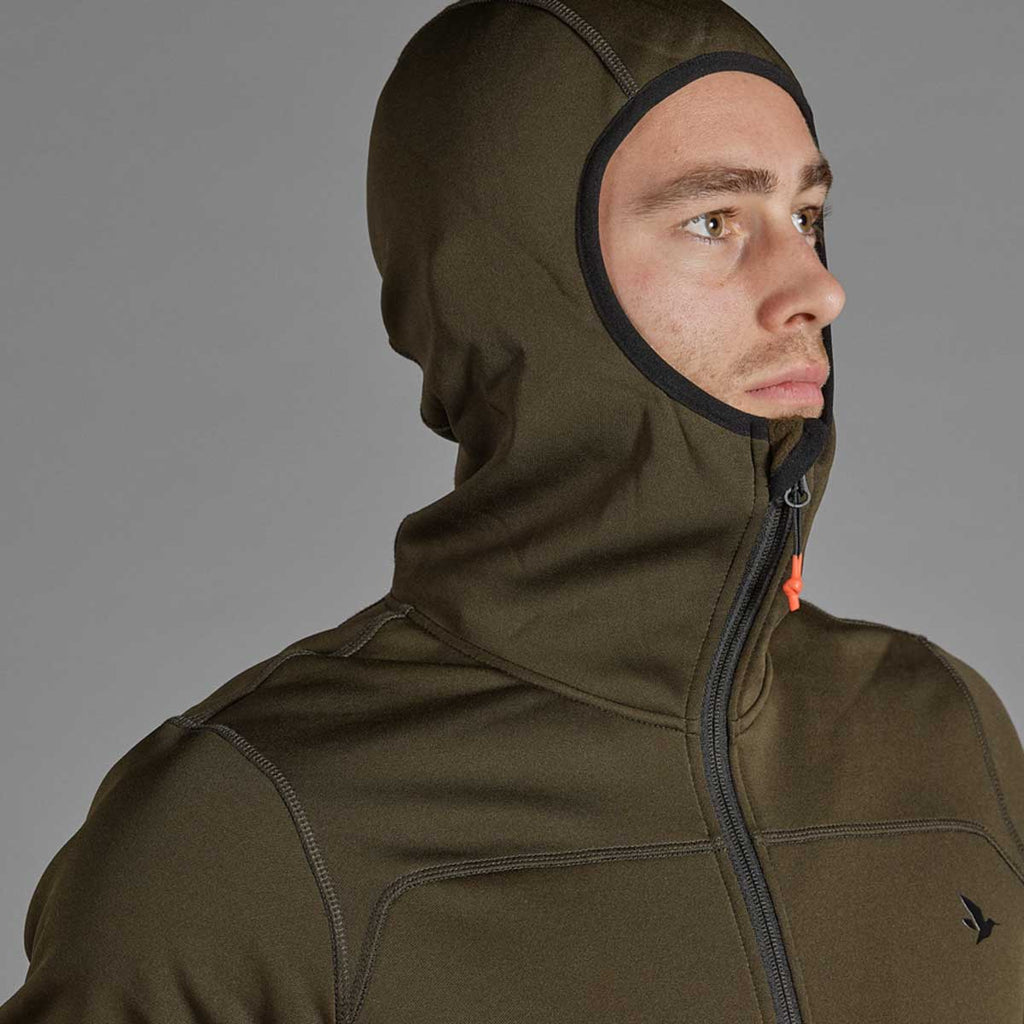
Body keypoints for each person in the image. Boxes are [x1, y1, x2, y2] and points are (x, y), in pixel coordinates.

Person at [3, 0, 1023, 1021]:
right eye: (713, 221)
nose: (817, 287)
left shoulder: (940, 728)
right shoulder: (251, 828)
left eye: (804, 216)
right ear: (521, 286)